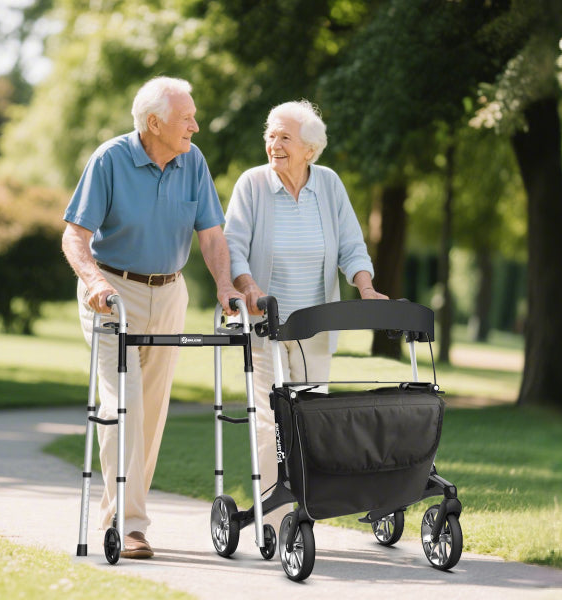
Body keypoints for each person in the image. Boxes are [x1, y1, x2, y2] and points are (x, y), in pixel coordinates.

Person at [62, 76, 245, 560]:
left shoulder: (193, 161)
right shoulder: (110, 160)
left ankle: (121, 515)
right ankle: (129, 524)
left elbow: (211, 235)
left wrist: (225, 285)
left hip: (168, 293)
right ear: (154, 123)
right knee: (122, 403)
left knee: (151, 411)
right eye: (187, 118)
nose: (195, 126)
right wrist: (93, 282)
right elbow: (75, 236)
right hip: (112, 292)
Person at [222, 100, 385, 533]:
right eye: (270, 135)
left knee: (311, 422)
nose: (274, 144)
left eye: (284, 137)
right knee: (270, 423)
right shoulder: (253, 185)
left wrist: (365, 287)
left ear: (309, 149)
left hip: (313, 328)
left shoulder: (328, 185)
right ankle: (277, 522)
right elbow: (233, 245)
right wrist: (248, 287)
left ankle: (305, 510)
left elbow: (351, 244)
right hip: (264, 326)